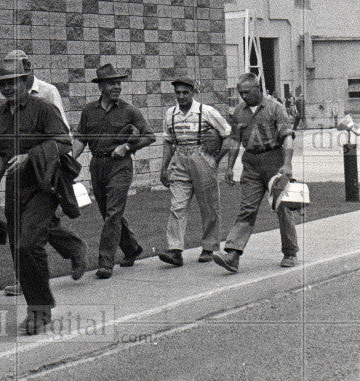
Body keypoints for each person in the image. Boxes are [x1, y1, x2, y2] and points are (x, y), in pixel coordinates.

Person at [0, 56, 74, 335]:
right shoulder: (1, 114)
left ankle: (40, 309)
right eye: (3, 84)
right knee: (19, 250)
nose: (8, 88)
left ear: (25, 81)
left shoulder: (43, 109)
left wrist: (30, 156)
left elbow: (63, 143)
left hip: (43, 185)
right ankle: (39, 308)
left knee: (27, 243)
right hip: (14, 186)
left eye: (13, 82)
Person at [0, 50, 87, 297]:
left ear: (26, 71)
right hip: (19, 178)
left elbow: (61, 134)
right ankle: (29, 277)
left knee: (33, 230)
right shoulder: (5, 108)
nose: (9, 83)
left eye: (16, 73)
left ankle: (72, 251)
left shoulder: (47, 93)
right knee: (29, 229)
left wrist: (36, 157)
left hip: (46, 173)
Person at [72, 63, 155, 279]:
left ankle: (105, 262)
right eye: (111, 83)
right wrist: (69, 160)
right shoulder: (89, 111)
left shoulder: (130, 111)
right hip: (97, 166)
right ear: (101, 87)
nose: (117, 87)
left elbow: (149, 135)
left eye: (118, 83)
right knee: (108, 213)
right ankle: (132, 248)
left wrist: (127, 147)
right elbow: (81, 139)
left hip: (120, 165)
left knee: (113, 213)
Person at [213, 73, 298, 273]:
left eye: (247, 92)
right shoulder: (238, 112)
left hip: (274, 160)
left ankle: (290, 252)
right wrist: (230, 167)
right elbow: (234, 141)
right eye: (241, 93)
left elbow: (287, 137)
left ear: (258, 88)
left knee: (283, 207)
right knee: (247, 208)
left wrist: (287, 164)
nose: (244, 96)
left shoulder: (275, 108)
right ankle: (233, 254)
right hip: (251, 163)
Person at [156, 75, 231, 267]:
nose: (181, 96)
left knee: (208, 205)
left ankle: (209, 246)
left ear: (193, 93)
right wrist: (164, 168)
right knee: (177, 205)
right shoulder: (170, 114)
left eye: (185, 93)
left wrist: (215, 160)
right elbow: (168, 141)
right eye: (178, 93)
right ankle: (175, 250)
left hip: (201, 158)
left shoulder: (206, 112)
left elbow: (227, 136)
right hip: (180, 158)